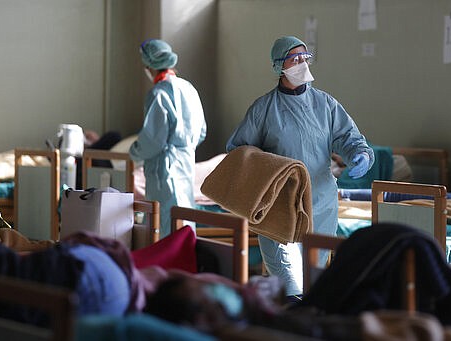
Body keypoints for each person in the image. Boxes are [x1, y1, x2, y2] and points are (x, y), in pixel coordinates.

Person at [226, 36, 374, 298]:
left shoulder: (325, 104)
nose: (302, 64)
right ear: (279, 66)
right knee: (289, 286)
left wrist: (360, 154)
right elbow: (239, 152)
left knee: (312, 282)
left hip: (321, 204)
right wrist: (267, 169)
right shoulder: (263, 109)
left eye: (305, 58)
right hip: (278, 207)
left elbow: (348, 137)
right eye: (295, 59)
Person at [130, 39, 207, 238]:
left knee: (165, 227)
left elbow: (153, 141)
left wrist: (134, 151)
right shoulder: (189, 88)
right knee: (185, 222)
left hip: (164, 171)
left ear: (149, 66)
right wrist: (185, 147)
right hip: (186, 164)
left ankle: (167, 267)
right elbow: (201, 132)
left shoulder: (158, 93)